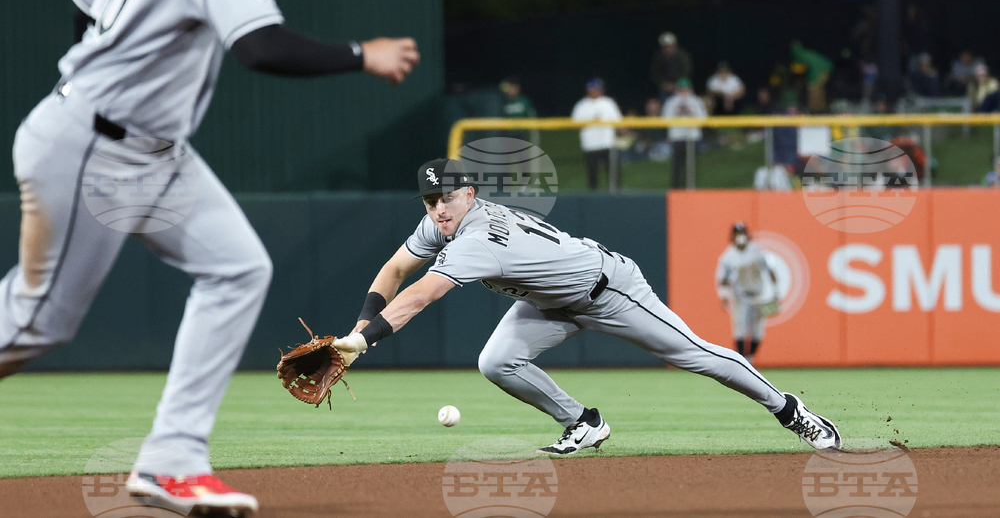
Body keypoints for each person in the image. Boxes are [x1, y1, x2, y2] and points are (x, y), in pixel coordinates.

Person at [0, 0, 419, 514]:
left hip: (144, 147)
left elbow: (83, 11)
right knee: (36, 322)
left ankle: (173, 461)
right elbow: (260, 47)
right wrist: (361, 55)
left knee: (238, 268)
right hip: (93, 146)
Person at [333, 160, 842, 456]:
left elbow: (421, 294)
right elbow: (396, 270)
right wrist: (359, 327)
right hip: (549, 301)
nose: (438, 209)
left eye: (447, 197)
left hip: (607, 289)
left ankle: (792, 411)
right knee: (496, 362)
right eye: (429, 201)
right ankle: (583, 421)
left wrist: (360, 343)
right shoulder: (441, 224)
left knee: (696, 355)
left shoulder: (476, 236)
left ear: (470, 193)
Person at [716, 223, 778, 365]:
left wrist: (775, 291)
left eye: (742, 233)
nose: (740, 237)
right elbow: (723, 278)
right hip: (740, 297)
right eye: (737, 233)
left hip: (758, 295)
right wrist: (723, 295)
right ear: (732, 236)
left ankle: (749, 359)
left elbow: (770, 269)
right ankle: (742, 361)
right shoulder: (728, 256)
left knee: (758, 330)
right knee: (740, 330)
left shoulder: (757, 251)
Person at [570, 78, 622, 190]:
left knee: (613, 172)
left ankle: (617, 193)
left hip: (608, 143)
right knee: (592, 174)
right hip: (590, 144)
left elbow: (618, 121)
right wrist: (591, 121)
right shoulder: (581, 105)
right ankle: (593, 197)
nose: (596, 91)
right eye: (593, 89)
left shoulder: (608, 102)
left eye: (598, 89)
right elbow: (575, 126)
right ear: (588, 90)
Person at [661, 78, 707, 189]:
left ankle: (690, 188)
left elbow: (703, 119)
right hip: (677, 137)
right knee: (677, 165)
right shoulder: (671, 101)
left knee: (691, 166)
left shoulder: (696, 100)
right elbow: (664, 119)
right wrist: (677, 112)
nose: (684, 91)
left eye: (686, 89)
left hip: (693, 137)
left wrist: (690, 112)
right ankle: (675, 188)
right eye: (682, 89)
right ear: (677, 89)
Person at [791, 41, 833, 114]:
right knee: (818, 90)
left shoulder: (801, 55)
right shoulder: (806, 53)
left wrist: (811, 80)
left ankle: (815, 111)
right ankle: (821, 110)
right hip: (826, 67)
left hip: (821, 70)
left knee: (813, 89)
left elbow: (809, 67)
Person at [650, 32, 693, 100]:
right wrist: (665, 84)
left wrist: (677, 85)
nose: (668, 49)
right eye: (665, 47)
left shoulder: (683, 56)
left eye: (670, 46)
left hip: (682, 85)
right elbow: (656, 74)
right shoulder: (658, 57)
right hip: (665, 88)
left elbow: (687, 72)